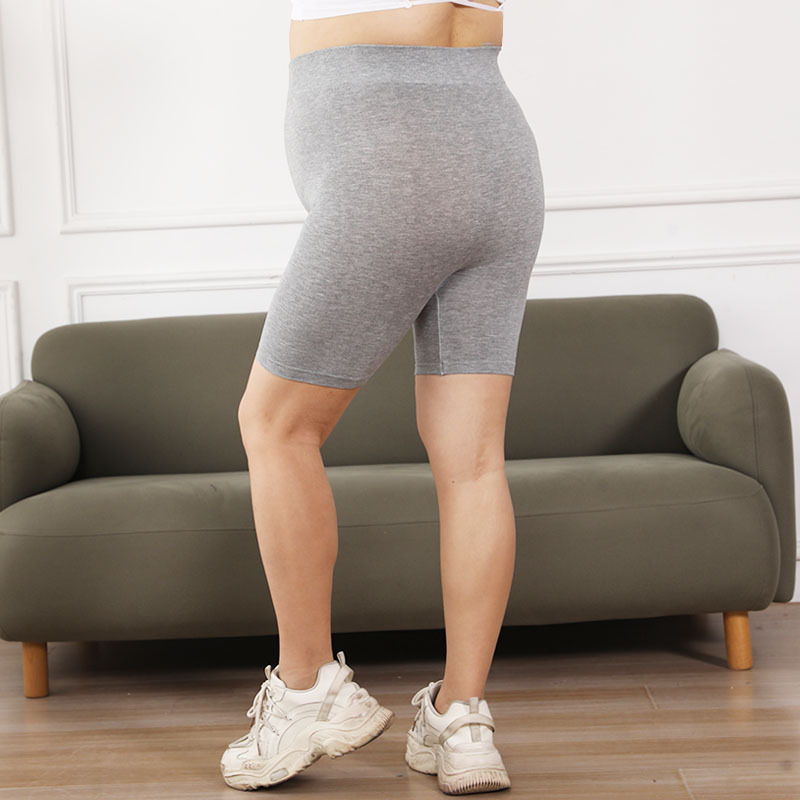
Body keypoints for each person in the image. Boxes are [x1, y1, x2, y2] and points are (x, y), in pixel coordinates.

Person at [220, 0, 544, 794]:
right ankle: (463, 719)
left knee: (276, 424)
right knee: (474, 460)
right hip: (498, 150)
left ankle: (306, 688)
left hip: (388, 151)